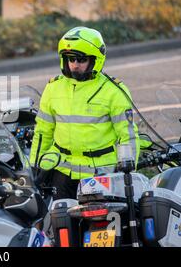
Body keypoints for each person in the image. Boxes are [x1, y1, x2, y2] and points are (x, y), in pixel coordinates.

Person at [30, 26, 140, 200]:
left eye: (80, 59)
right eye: (69, 59)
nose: (74, 64)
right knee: (60, 222)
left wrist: (127, 169)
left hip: (101, 173)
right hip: (63, 171)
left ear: (95, 60)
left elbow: (128, 135)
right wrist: (34, 167)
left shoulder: (113, 91)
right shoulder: (52, 88)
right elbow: (43, 132)